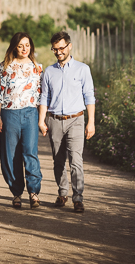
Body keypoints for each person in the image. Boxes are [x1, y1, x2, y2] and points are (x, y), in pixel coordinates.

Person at [38, 30, 95, 213]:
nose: (58, 52)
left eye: (61, 48)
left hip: (76, 119)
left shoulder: (83, 69)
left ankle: (78, 197)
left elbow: (89, 96)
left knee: (76, 161)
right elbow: (44, 97)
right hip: (54, 120)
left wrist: (91, 122)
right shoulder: (49, 71)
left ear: (69, 46)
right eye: (55, 49)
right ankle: (62, 192)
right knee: (58, 160)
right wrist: (41, 120)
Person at [0, 32, 43, 209]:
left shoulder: (37, 67)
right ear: (14, 46)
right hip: (9, 114)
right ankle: (16, 193)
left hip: (30, 113)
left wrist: (42, 119)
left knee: (30, 152)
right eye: (21, 45)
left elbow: (42, 95)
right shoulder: (5, 66)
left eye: (27, 45)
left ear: (31, 47)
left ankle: (34, 192)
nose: (24, 49)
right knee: (10, 155)